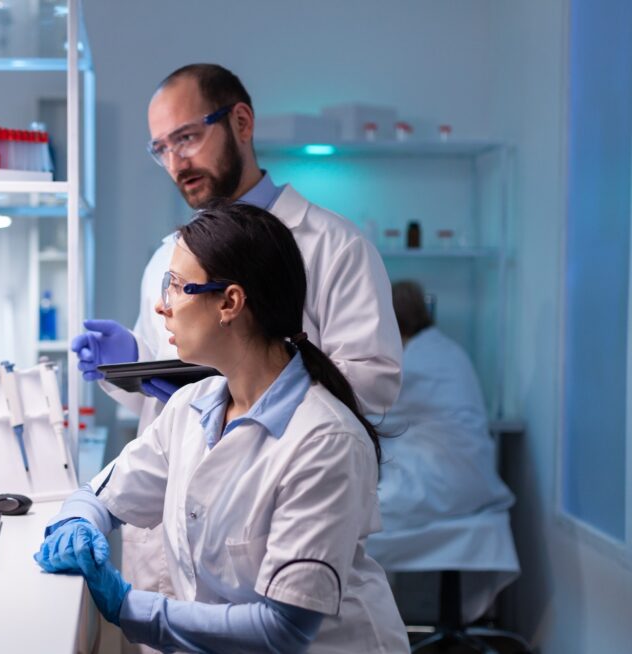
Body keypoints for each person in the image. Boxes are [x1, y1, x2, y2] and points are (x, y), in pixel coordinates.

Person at [71, 63, 403, 614]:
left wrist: (242, 385)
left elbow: (371, 386)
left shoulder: (333, 246)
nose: (176, 161)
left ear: (241, 122)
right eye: (160, 148)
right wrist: (134, 365)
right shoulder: (169, 253)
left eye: (187, 137)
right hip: (174, 534)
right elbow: (168, 396)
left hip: (270, 521)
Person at [38, 202, 409, 653]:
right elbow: (102, 494)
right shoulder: (193, 406)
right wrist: (79, 521)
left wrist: (126, 607)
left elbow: (283, 629)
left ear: (230, 302)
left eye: (176, 286)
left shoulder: (324, 441)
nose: (162, 306)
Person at [365, 281, 519, 623]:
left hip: (444, 484)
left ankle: (367, 630)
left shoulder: (414, 361)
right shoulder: (443, 349)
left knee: (356, 523)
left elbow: (369, 413)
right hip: (465, 478)